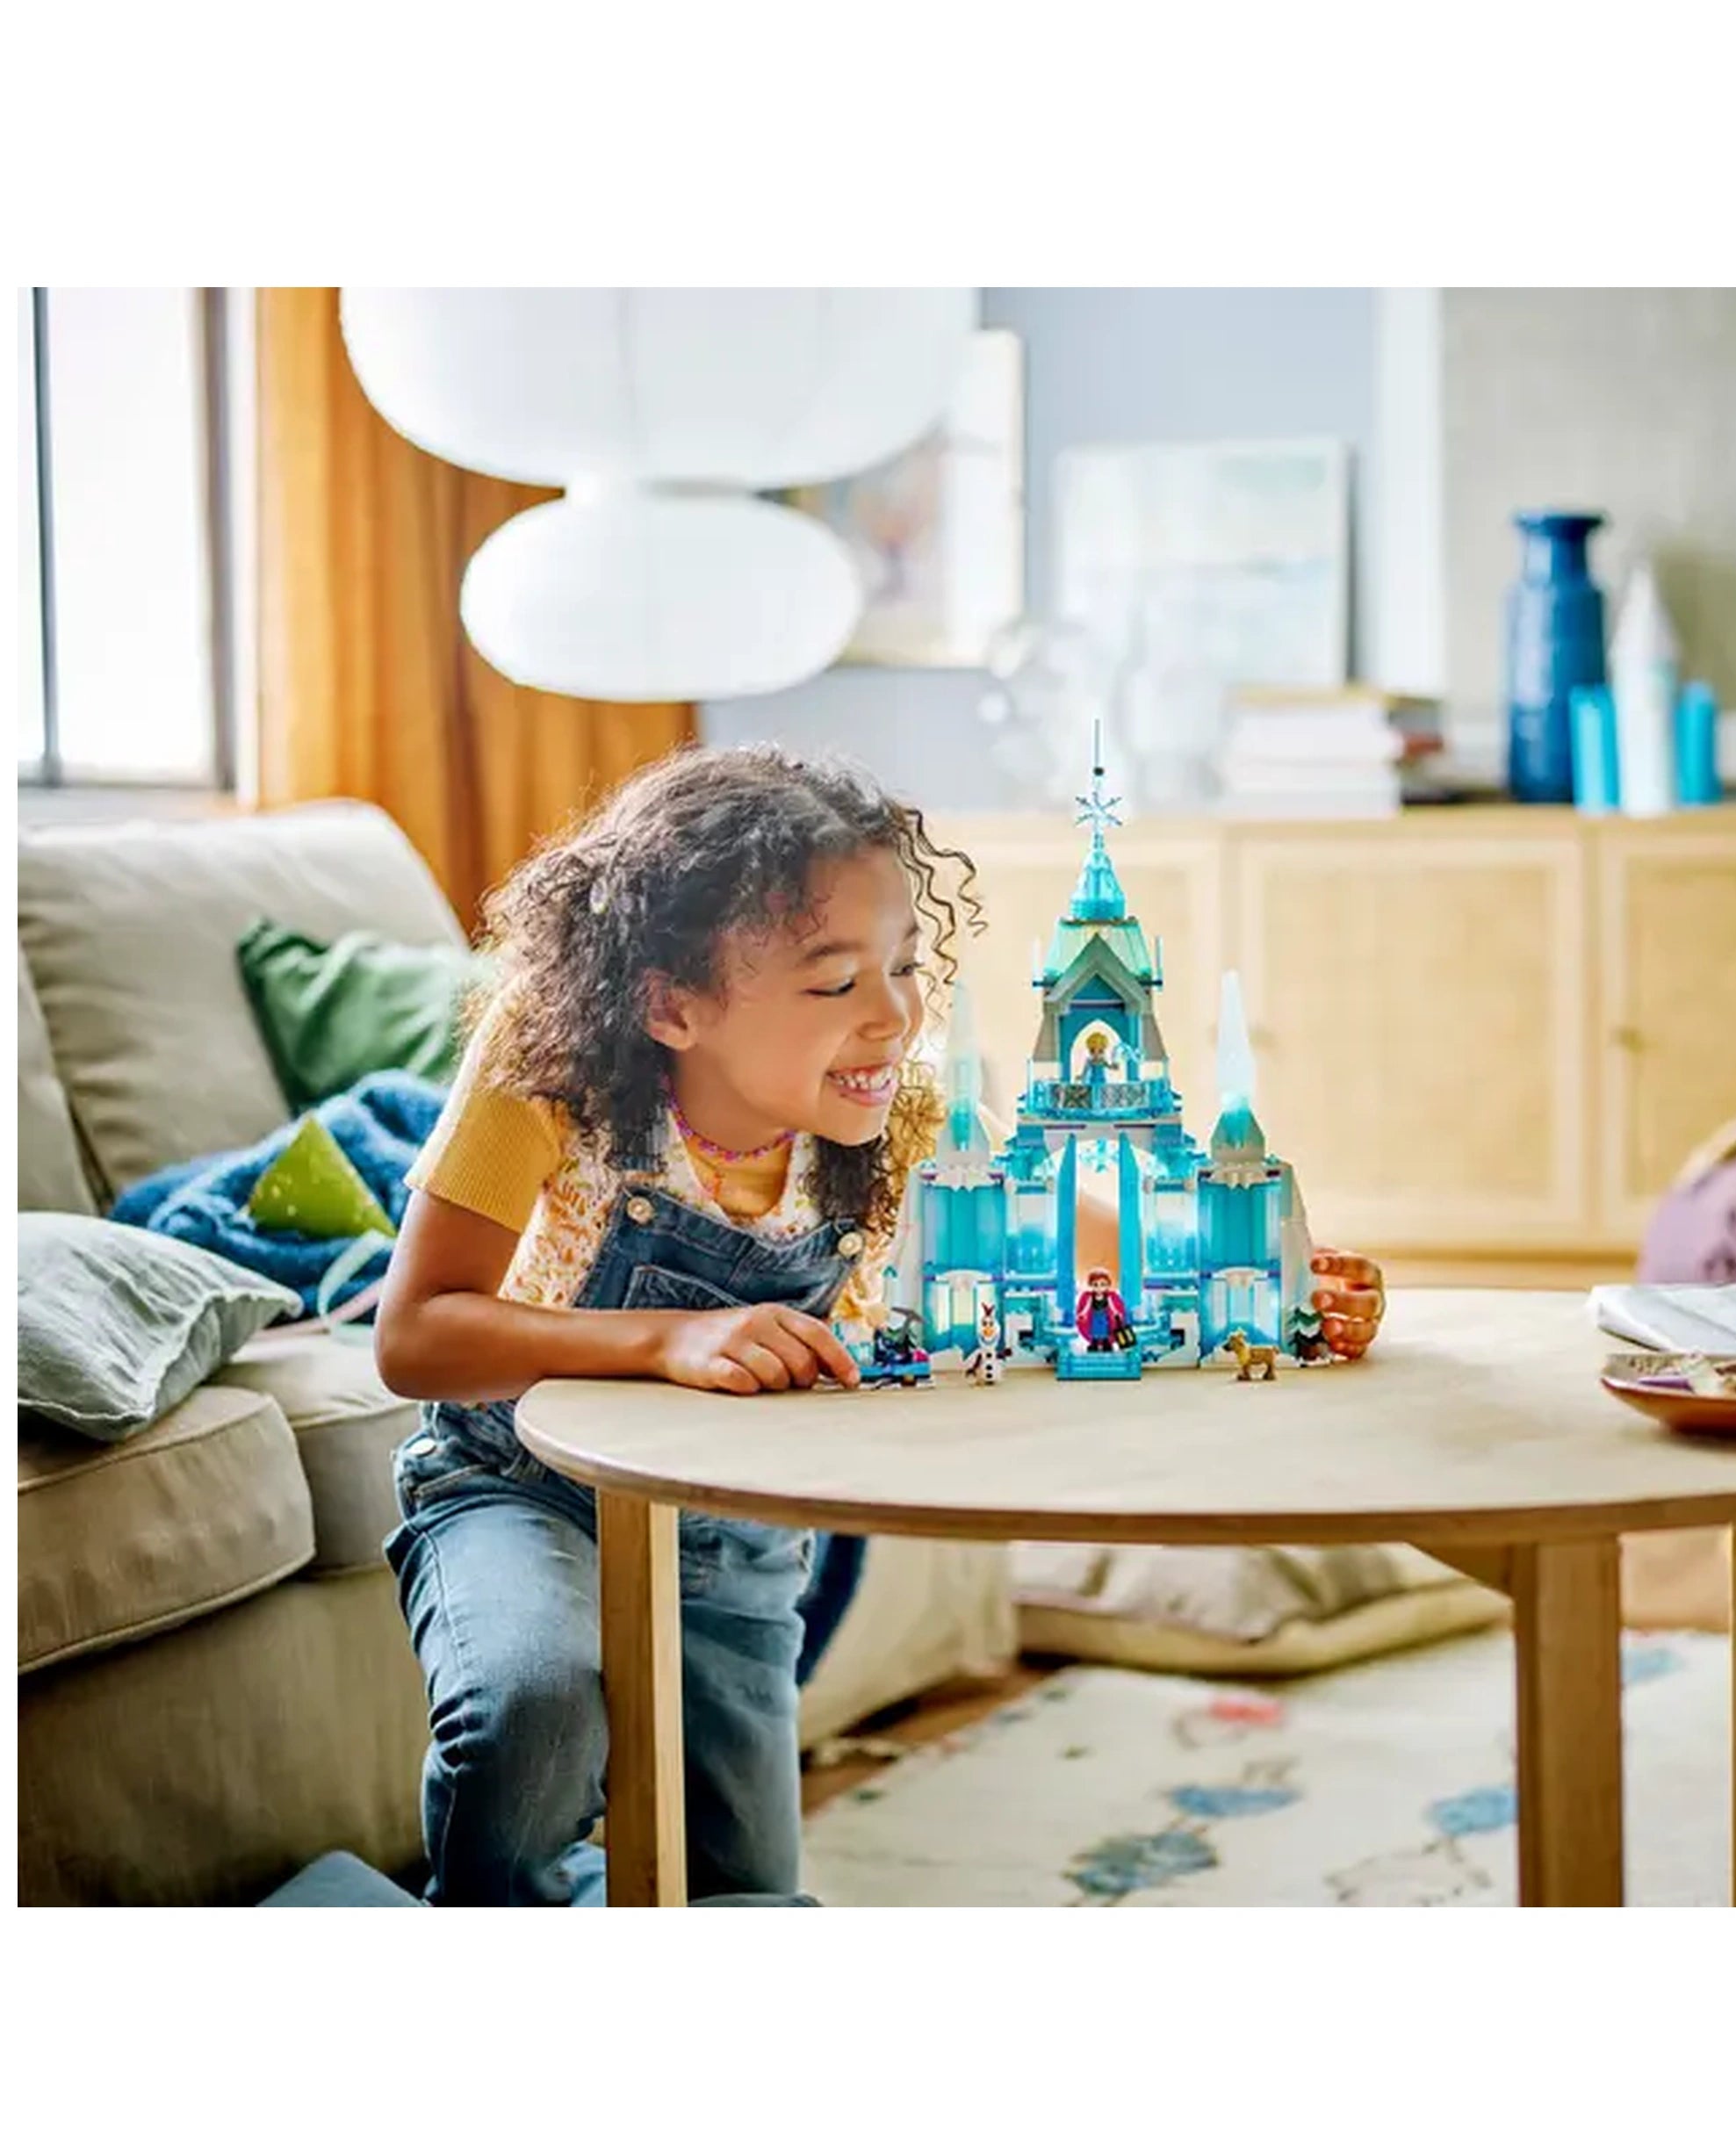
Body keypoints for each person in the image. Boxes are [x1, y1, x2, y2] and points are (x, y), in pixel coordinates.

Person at [373, 745, 1388, 1906]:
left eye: (904, 964)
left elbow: (1069, 1224)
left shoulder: (896, 1117)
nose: (896, 1014)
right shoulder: (547, 1069)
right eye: (832, 982)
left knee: (746, 1890)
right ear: (670, 1003)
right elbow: (415, 1336)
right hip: (519, 1490)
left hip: (728, 1538)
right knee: (529, 1712)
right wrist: (662, 1342)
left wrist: (1282, 1264)